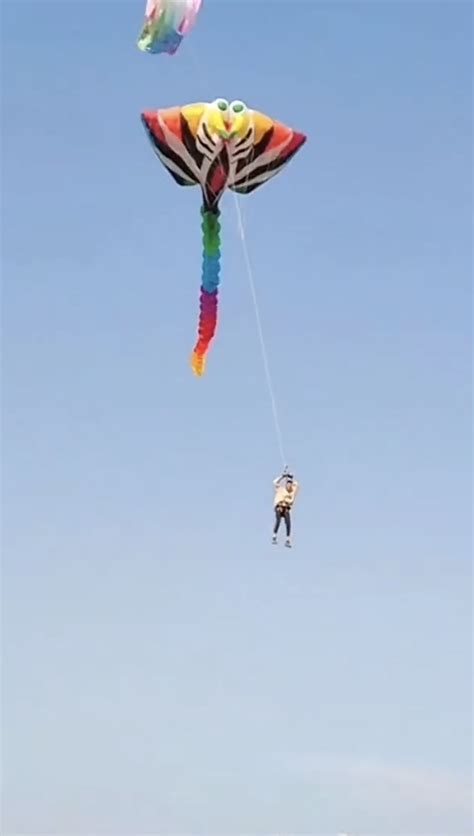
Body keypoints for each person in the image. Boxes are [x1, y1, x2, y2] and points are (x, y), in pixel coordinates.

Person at [272, 470, 299, 547]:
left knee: (288, 522)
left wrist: (290, 477)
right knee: (278, 520)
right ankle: (274, 535)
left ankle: (288, 539)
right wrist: (283, 476)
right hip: (279, 506)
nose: (289, 486)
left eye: (290, 484)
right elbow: (275, 482)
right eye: (288, 484)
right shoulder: (280, 489)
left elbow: (296, 484)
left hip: (286, 507)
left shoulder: (292, 491)